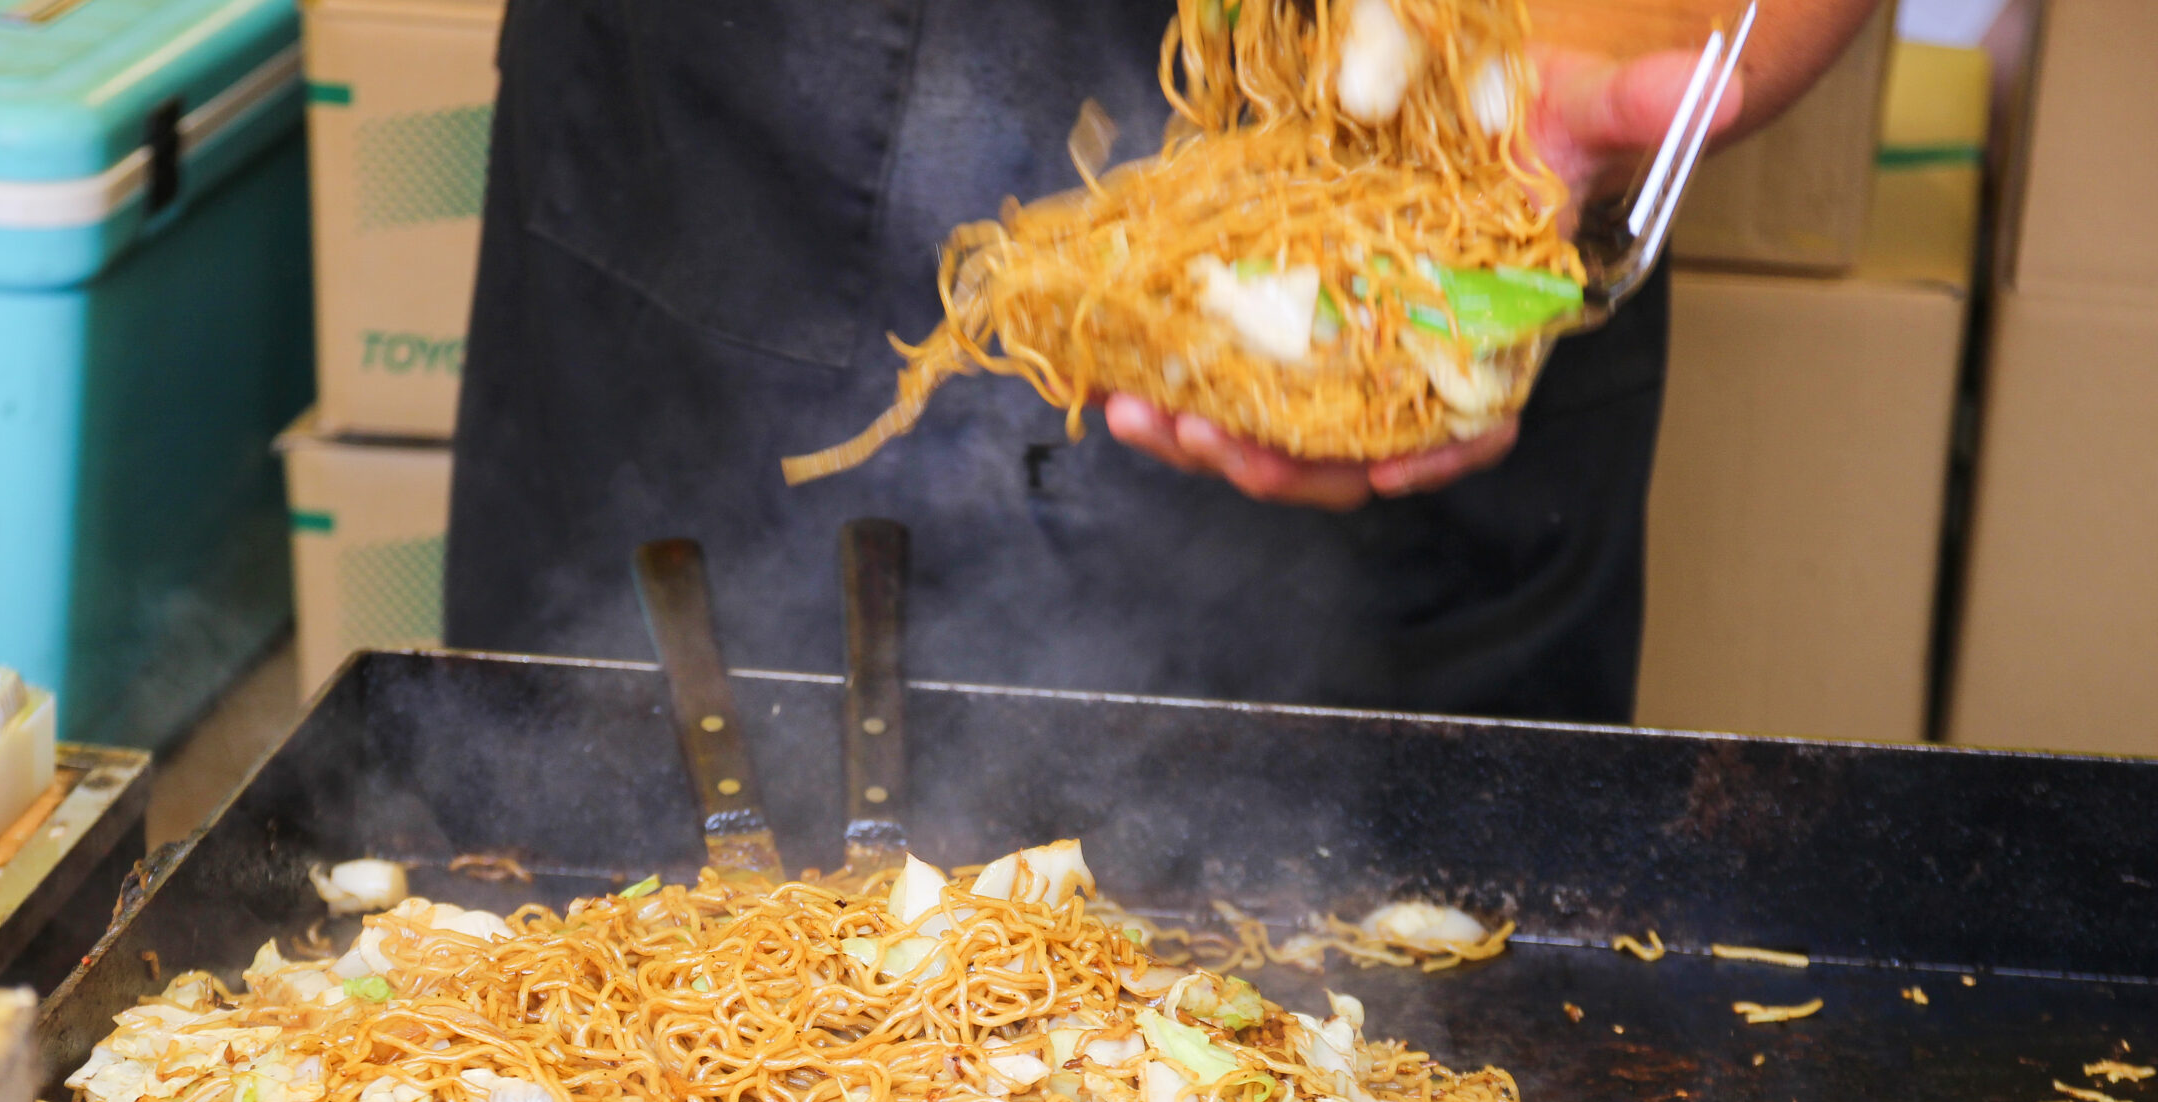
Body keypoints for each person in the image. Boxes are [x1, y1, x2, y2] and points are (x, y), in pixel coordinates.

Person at [446, 0, 1883, 721]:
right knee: (600, 957)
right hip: (745, 174)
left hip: (1435, 200)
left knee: (1401, 1060)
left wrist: (1513, 96)